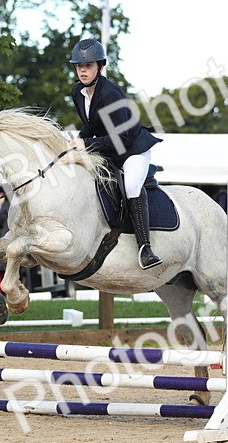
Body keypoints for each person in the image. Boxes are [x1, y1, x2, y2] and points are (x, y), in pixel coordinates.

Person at [67, 37, 164, 269]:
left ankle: (145, 249)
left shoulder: (111, 94)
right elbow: (91, 124)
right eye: (79, 66)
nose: (83, 70)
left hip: (132, 150)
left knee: (131, 185)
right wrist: (80, 139)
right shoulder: (78, 92)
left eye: (88, 66)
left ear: (100, 66)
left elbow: (122, 139)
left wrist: (87, 145)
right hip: (108, 148)